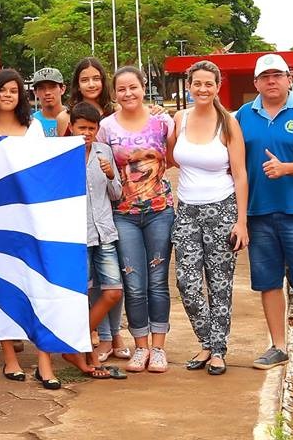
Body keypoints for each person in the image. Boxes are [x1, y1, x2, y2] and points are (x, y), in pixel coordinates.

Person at [236, 54, 293, 390]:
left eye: (278, 76)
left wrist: (286, 168)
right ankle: (278, 346)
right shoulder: (244, 115)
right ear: (256, 82)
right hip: (259, 214)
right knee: (268, 283)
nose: (271, 82)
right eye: (265, 77)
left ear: (289, 79)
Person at [0, 69, 59, 389]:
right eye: (2, 90)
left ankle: (45, 360)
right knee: (3, 287)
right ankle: (10, 357)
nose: (8, 95)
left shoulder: (33, 127)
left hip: (32, 220)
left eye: (14, 90)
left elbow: (44, 170)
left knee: (39, 287)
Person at [167, 61, 249, 376]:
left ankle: (218, 351)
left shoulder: (229, 123)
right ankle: (206, 340)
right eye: (197, 83)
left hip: (222, 208)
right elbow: (170, 158)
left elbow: (240, 175)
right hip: (187, 209)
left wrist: (241, 221)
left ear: (217, 86)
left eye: (208, 84)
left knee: (219, 284)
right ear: (189, 86)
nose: (202, 89)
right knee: (186, 282)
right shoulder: (180, 119)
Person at [97, 66, 175, 373]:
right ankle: (140, 346)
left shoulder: (163, 122)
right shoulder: (106, 127)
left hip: (159, 211)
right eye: (121, 89)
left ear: (144, 88)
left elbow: (177, 156)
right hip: (123, 215)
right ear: (114, 94)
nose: (128, 94)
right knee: (133, 282)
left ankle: (159, 348)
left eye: (133, 87)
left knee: (158, 281)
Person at [56, 57, 130, 363]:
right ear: (71, 127)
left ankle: (85, 339)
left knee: (113, 289)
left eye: (91, 128)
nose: (86, 133)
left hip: (105, 230)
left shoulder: (105, 152)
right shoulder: (62, 156)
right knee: (83, 290)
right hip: (78, 233)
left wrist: (112, 176)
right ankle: (83, 340)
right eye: (81, 128)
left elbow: (116, 195)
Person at [31, 67, 67, 137]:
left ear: (62, 89)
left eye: (52, 87)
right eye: (41, 88)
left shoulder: (74, 117)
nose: (47, 92)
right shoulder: (31, 122)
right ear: (35, 92)